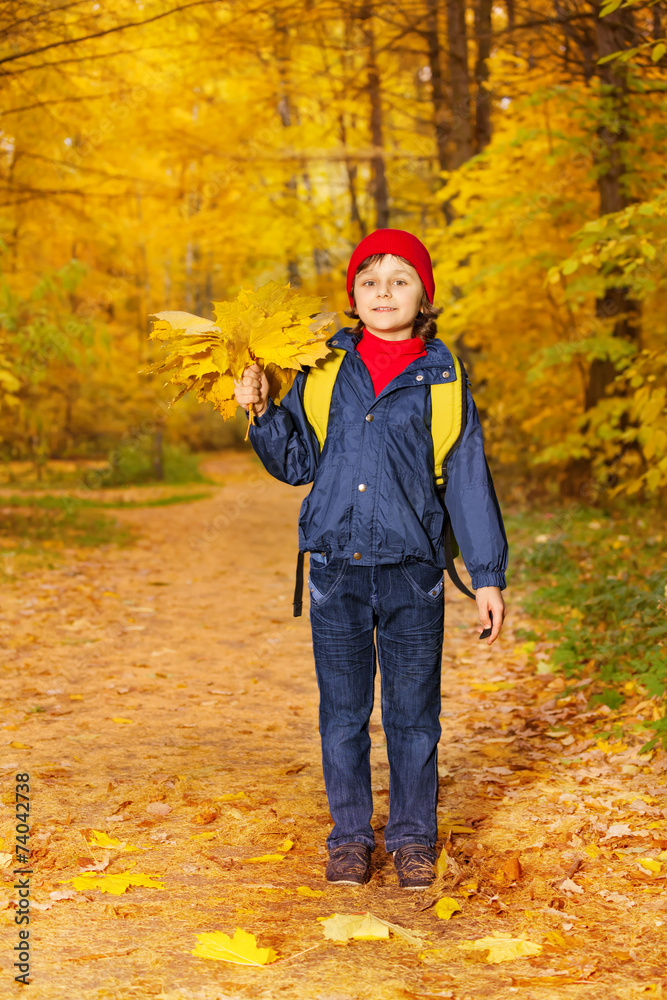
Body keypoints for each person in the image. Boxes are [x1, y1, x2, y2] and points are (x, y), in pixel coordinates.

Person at [233, 229, 508, 889]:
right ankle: (350, 838)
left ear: (423, 294)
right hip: (336, 567)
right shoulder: (324, 369)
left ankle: (413, 837)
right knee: (343, 713)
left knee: (414, 715)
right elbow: (296, 463)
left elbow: (467, 474)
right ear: (353, 297)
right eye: (369, 281)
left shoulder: (442, 376)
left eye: (399, 279)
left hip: (414, 571)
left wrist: (488, 574)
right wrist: (263, 411)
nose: (383, 292)